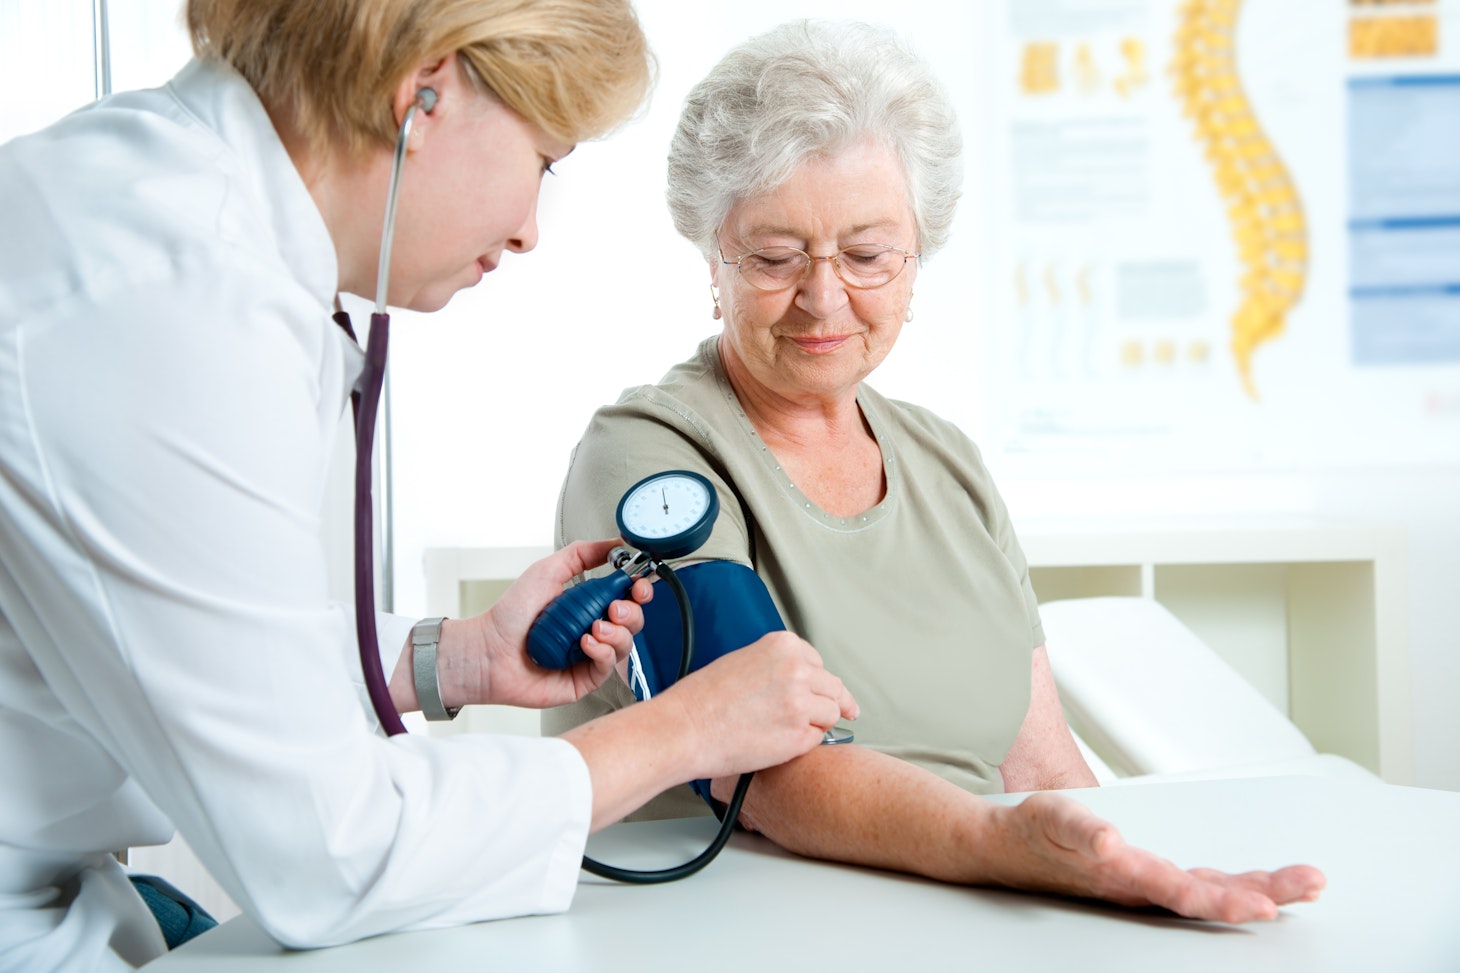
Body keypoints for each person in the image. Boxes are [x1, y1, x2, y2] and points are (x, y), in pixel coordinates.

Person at [0, 2, 858, 969]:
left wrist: (452, 659)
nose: (532, 230)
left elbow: (181, 635)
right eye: (545, 159)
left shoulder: (163, 209)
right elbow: (330, 854)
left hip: (94, 896)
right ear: (426, 90)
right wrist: (682, 732)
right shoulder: (167, 302)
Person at [548, 19, 1326, 924]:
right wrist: (997, 848)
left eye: (869, 254)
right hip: (741, 930)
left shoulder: (946, 463)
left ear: (918, 258)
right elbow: (754, 763)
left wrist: (1139, 882)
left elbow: (1039, 767)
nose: (823, 296)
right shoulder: (649, 455)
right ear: (711, 257)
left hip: (984, 916)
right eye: (774, 256)